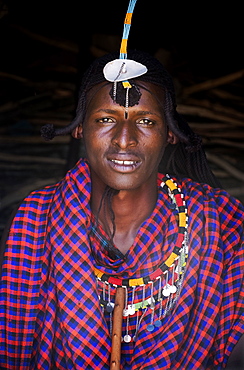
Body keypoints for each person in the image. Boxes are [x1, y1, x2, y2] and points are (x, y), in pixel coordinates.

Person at [0, 47, 243, 370]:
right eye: (105, 119)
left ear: (169, 133)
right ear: (80, 129)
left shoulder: (218, 223)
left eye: (145, 120)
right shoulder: (35, 222)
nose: (124, 139)